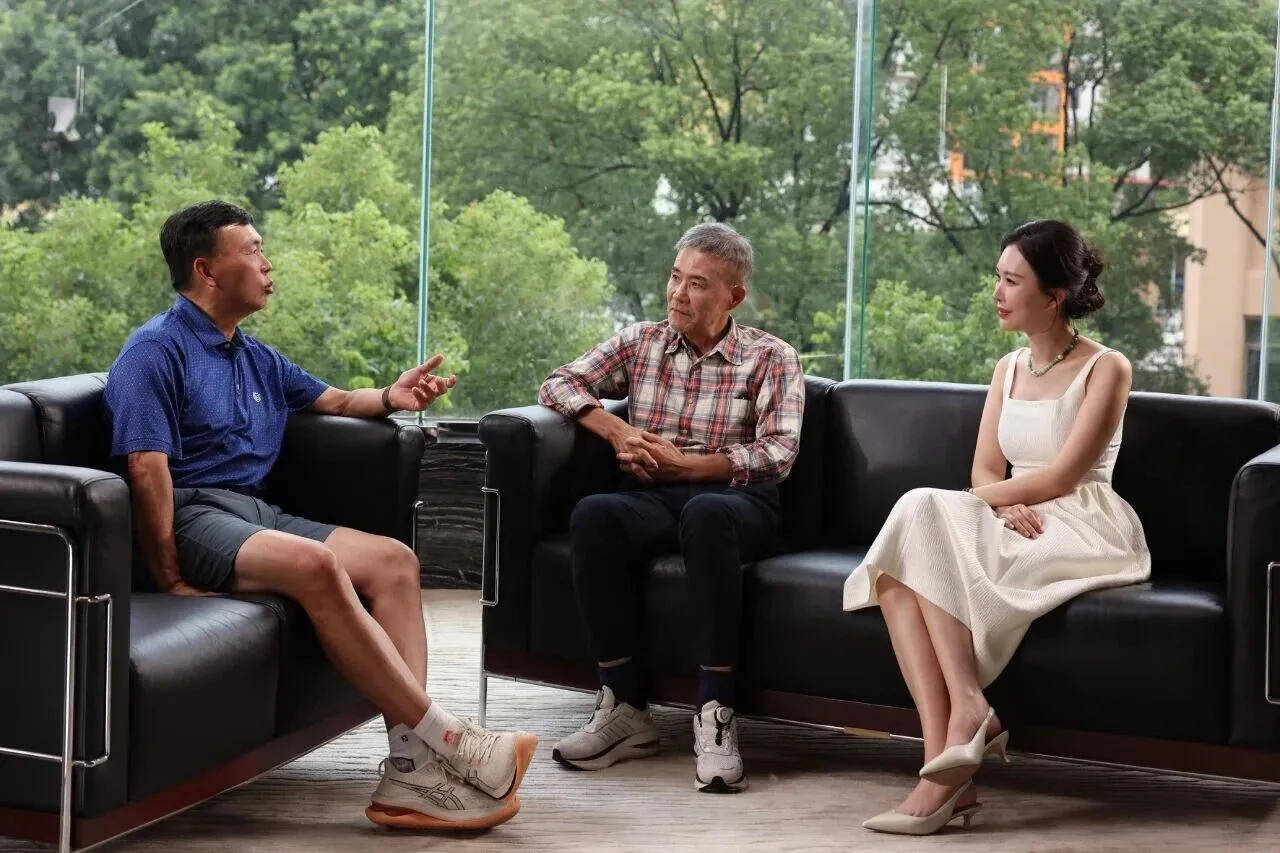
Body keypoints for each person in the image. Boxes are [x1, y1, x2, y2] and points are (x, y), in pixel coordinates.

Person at [103, 200, 537, 831]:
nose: (266, 263)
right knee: (316, 564)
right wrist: (169, 578)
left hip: (254, 514)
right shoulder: (153, 351)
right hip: (195, 516)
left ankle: (407, 772)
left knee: (394, 562)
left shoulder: (253, 355)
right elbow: (147, 470)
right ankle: (448, 739)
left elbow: (332, 399)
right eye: (251, 250)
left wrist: (392, 395)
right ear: (206, 270)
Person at [844, 219, 1150, 835]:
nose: (997, 292)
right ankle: (952, 752)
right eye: (998, 277)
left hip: (1082, 521)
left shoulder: (1107, 367)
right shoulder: (1007, 367)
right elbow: (986, 467)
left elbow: (1064, 475)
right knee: (901, 570)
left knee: (921, 515)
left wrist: (979, 502)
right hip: (1015, 508)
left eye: (1012, 281)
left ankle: (954, 750)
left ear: (1054, 296)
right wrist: (997, 504)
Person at [539, 222, 805, 792]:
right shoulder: (643, 341)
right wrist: (617, 431)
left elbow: (780, 453)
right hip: (654, 497)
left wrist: (687, 466)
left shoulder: (771, 357)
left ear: (734, 296)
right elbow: (558, 384)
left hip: (738, 503)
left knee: (705, 514)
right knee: (595, 515)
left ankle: (716, 713)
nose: (678, 294)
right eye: (675, 277)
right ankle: (625, 707)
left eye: (698, 284)